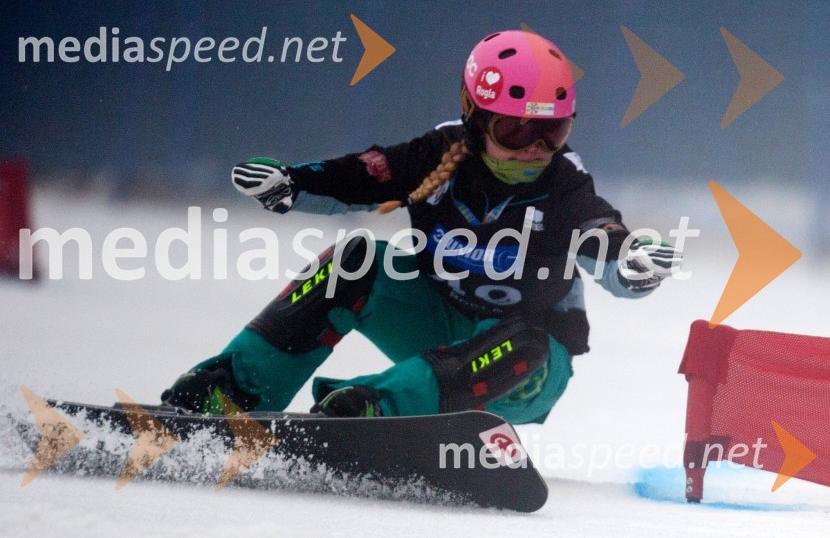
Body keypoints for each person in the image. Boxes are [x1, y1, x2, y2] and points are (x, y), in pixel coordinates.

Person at [161, 30, 683, 423]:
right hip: (437, 333)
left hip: (523, 373)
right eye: (515, 127)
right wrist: (293, 183)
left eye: (552, 130)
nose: (534, 147)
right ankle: (234, 395)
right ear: (476, 117)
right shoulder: (438, 153)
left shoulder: (567, 187)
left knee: (526, 337)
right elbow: (363, 175)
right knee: (354, 260)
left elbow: (604, 238)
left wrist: (636, 263)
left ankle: (376, 412)